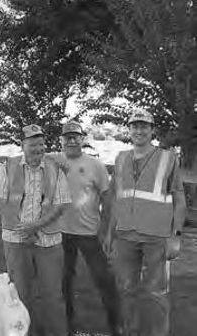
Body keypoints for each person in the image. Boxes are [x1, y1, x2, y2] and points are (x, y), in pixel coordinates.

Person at [105, 109, 186, 336]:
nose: (139, 130)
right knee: (126, 289)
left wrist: (176, 236)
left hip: (156, 236)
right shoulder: (121, 158)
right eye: (134, 126)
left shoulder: (168, 158)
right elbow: (115, 198)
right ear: (129, 130)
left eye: (144, 126)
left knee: (156, 292)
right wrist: (110, 234)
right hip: (125, 236)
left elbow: (179, 198)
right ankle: (129, 331)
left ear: (152, 130)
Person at [0, 124, 71, 336]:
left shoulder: (55, 168)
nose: (38, 148)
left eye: (41, 144)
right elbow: (0, 202)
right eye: (33, 144)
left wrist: (36, 226)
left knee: (52, 294)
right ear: (22, 145)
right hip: (15, 241)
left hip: (49, 242)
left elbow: (61, 204)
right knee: (19, 294)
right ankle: (25, 332)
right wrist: (23, 230)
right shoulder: (8, 166)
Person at [54, 121, 121, 336]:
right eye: (67, 137)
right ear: (61, 140)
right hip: (61, 233)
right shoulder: (52, 161)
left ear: (82, 140)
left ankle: (115, 325)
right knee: (64, 281)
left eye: (76, 137)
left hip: (89, 234)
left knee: (104, 279)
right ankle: (68, 324)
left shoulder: (95, 165)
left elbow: (107, 199)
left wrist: (106, 230)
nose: (72, 140)